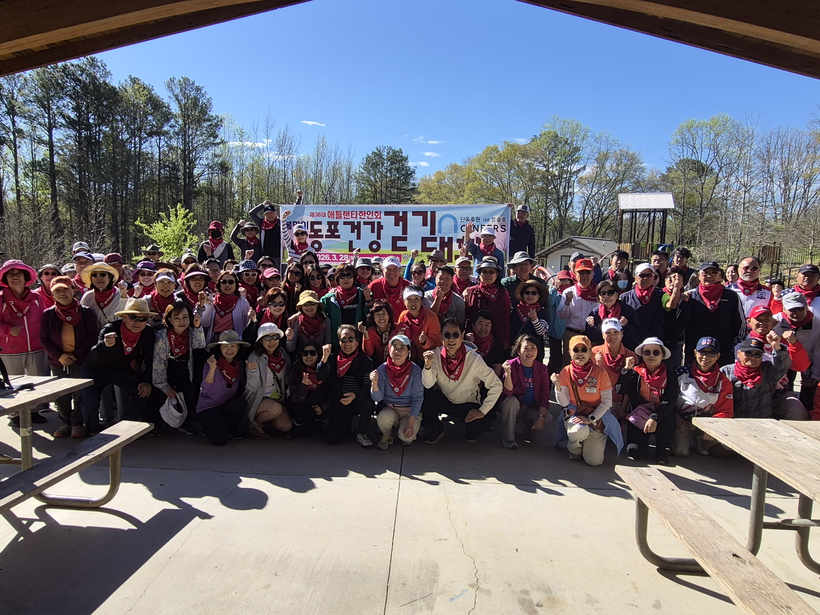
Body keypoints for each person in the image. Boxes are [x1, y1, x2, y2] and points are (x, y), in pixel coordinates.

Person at [81, 298, 156, 435]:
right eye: (133, 317)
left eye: (143, 319)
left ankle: (125, 427)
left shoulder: (148, 332)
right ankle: (92, 430)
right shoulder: (110, 329)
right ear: (124, 317)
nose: (138, 322)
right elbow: (92, 355)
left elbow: (150, 358)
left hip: (121, 370)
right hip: (95, 370)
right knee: (90, 400)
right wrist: (104, 346)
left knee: (144, 392)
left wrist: (147, 381)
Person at [421, 317, 503, 444]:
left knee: (476, 429)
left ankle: (468, 427)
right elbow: (428, 384)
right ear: (441, 337)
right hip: (445, 399)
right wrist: (427, 367)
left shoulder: (474, 358)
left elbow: (496, 385)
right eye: (447, 335)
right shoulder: (435, 355)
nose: (451, 339)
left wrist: (482, 411)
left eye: (455, 335)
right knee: (426, 396)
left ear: (462, 336)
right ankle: (437, 427)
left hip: (467, 403)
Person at [39, 276, 98, 438]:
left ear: (73, 290)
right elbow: (44, 338)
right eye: (57, 290)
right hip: (58, 361)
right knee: (61, 394)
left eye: (65, 289)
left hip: (80, 359)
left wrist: (76, 355)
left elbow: (92, 337)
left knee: (79, 393)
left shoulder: (86, 312)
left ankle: (77, 423)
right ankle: (65, 422)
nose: (62, 293)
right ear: (52, 294)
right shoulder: (48, 314)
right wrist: (60, 356)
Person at [552, 335, 620, 466]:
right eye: (575, 350)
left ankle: (590, 440)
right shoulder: (565, 371)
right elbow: (564, 403)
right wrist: (558, 387)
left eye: (584, 349)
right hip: (575, 415)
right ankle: (574, 449)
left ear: (590, 352)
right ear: (570, 352)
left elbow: (607, 401)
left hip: (596, 418)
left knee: (594, 461)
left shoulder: (600, 372)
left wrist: (591, 418)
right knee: (578, 431)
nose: (580, 353)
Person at [742, 305, 809, 420]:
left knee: (797, 411)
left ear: (773, 322)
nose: (763, 323)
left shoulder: (781, 342)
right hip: (749, 391)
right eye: (758, 319)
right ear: (749, 322)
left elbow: (801, 366)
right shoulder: (741, 342)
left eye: (767, 319)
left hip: (778, 391)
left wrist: (792, 344)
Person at [619, 337, 679, 464]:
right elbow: (620, 390)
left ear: (662, 355)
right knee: (633, 452)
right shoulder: (635, 372)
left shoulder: (670, 376)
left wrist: (654, 417)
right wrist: (626, 370)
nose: (651, 355)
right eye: (647, 352)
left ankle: (661, 449)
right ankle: (642, 442)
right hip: (640, 414)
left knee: (667, 419)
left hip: (661, 415)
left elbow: (670, 401)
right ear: (642, 355)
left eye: (656, 352)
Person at [672, 337, 734, 458]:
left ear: (718, 356)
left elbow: (726, 410)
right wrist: (674, 417)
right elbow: (669, 398)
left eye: (711, 353)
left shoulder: (723, 381)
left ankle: (701, 438)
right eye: (702, 352)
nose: (705, 357)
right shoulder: (680, 373)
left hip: (707, 421)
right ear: (695, 353)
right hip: (683, 419)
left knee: (724, 450)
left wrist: (713, 426)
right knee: (680, 451)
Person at [151, 301, 206, 434]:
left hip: (184, 369)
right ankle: (158, 422)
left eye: (185, 317)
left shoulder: (190, 332)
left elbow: (200, 345)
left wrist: (198, 327)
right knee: (162, 394)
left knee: (190, 391)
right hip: (166, 370)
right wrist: (164, 386)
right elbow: (158, 363)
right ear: (170, 320)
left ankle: (186, 421)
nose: (181, 322)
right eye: (176, 318)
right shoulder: (162, 337)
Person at [0, 260, 49, 398]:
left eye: (19, 274)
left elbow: (45, 321)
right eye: (11, 274)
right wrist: (8, 330)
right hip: (10, 351)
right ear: (5, 278)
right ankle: (17, 411)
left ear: (25, 277)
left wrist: (47, 343)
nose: (15, 277)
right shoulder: (1, 299)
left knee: (39, 385)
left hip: (37, 349)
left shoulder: (36, 297)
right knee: (13, 387)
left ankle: (38, 409)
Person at [684, 261, 746, 367]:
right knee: (693, 377)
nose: (709, 276)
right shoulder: (690, 296)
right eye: (705, 273)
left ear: (720, 276)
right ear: (698, 275)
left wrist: (730, 344)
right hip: (695, 352)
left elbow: (739, 324)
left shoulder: (731, 296)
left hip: (723, 351)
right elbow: (681, 323)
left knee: (722, 377)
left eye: (713, 273)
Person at [324, 324, 374, 445]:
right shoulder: (332, 358)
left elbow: (368, 387)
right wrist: (323, 360)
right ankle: (346, 426)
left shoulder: (365, 361)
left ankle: (362, 433)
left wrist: (354, 396)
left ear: (357, 342)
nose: (347, 343)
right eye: (343, 340)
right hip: (339, 401)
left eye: (351, 339)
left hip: (357, 400)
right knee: (332, 439)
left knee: (368, 403)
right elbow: (321, 377)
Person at [371, 334, 424, 449]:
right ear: (389, 349)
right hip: (391, 408)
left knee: (406, 438)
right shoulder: (382, 369)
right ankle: (387, 435)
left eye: (402, 347)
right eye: (395, 347)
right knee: (383, 417)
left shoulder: (415, 371)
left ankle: (409, 427)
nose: (397, 351)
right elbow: (377, 398)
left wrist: (410, 423)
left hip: (409, 411)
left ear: (408, 351)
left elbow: (418, 398)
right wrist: (374, 384)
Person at [722, 335, 793, 419]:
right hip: (734, 421)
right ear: (738, 354)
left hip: (762, 421)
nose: (752, 357)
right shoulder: (725, 372)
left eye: (757, 354)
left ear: (762, 357)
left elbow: (783, 364)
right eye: (748, 353)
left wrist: (776, 346)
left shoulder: (769, 370)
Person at [197, 331, 249, 445]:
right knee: (220, 440)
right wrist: (212, 369)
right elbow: (206, 388)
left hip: (226, 404)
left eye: (233, 346)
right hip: (209, 406)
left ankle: (231, 427)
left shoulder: (239, 364)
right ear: (220, 348)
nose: (229, 349)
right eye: (225, 346)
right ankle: (206, 427)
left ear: (238, 347)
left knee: (239, 404)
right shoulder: (211, 364)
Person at [244, 323, 294, 440]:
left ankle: (265, 423)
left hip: (277, 397)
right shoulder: (254, 357)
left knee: (286, 426)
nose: (272, 341)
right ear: (261, 341)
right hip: (258, 397)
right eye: (267, 338)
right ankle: (254, 424)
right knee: (275, 409)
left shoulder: (283, 354)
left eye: (275, 337)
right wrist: (253, 372)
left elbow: (288, 378)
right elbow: (253, 387)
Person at [500, 334, 550, 449]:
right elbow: (508, 392)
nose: (529, 352)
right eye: (526, 348)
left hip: (530, 407)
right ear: (518, 351)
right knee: (511, 401)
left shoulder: (542, 368)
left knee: (547, 418)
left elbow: (545, 394)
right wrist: (508, 374)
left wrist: (541, 417)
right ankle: (509, 438)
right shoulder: (511, 365)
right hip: (515, 406)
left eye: (533, 348)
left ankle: (527, 432)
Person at [773, 293, 820, 414]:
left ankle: (809, 416)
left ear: (806, 307)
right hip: (784, 360)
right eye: (792, 309)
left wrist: (816, 375)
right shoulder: (775, 321)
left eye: (800, 308)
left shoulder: (817, 325)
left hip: (808, 360)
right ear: (784, 309)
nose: (797, 313)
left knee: (810, 391)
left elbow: (819, 353)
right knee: (785, 390)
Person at [591, 318, 637, 419]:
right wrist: (597, 366)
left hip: (619, 403)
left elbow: (631, 387)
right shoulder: (594, 352)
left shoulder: (631, 356)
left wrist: (623, 408)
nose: (612, 336)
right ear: (603, 335)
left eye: (616, 332)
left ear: (622, 333)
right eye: (608, 332)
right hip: (597, 403)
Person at [464, 256, 511, 350]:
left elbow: (507, 317)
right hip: (473, 340)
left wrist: (506, 340)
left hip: (497, 340)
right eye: (484, 272)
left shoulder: (503, 292)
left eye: (491, 272)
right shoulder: (470, 291)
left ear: (497, 274)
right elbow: (465, 316)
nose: (488, 275)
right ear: (479, 274)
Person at [557, 258, 598, 363]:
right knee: (569, 366)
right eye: (581, 273)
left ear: (593, 273)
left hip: (592, 335)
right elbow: (561, 316)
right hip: (572, 334)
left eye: (587, 272)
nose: (584, 276)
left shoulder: (599, 292)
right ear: (575, 274)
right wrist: (567, 303)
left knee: (592, 365)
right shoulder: (568, 292)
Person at [583, 279, 642, 350]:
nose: (606, 296)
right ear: (598, 296)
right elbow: (592, 338)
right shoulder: (595, 313)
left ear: (617, 295)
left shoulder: (627, 311)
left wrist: (627, 326)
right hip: (602, 351)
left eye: (610, 293)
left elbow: (637, 335)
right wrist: (592, 327)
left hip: (625, 350)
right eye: (603, 293)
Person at [288, 342, 332, 434]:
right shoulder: (296, 370)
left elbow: (331, 394)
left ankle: (317, 425)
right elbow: (295, 399)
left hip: (320, 403)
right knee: (306, 413)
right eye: (305, 353)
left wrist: (322, 407)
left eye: (312, 353)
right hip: (301, 405)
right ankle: (297, 426)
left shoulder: (326, 369)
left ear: (318, 355)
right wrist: (303, 386)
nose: (308, 356)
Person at [321, 263, 367, 349]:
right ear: (337, 279)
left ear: (354, 278)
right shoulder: (329, 299)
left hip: (358, 343)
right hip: (337, 343)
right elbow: (314, 310)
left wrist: (368, 300)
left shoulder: (363, 294)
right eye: (342, 276)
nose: (346, 279)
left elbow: (369, 314)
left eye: (349, 275)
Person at [396, 286, 441, 364]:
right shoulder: (403, 316)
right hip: (407, 356)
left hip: (427, 358)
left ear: (421, 300)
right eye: (409, 299)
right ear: (404, 301)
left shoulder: (431, 317)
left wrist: (425, 341)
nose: (413, 303)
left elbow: (436, 344)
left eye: (416, 299)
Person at [620, 263, 663, 341]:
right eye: (642, 275)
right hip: (631, 342)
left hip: (654, 342)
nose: (645, 278)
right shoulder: (624, 298)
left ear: (654, 277)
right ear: (635, 278)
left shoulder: (662, 296)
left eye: (649, 275)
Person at [659, 266, 691, 369]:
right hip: (659, 338)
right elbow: (670, 306)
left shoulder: (687, 299)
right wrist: (676, 289)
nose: (673, 282)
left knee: (672, 370)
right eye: (670, 279)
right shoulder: (659, 295)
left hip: (676, 341)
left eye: (678, 280)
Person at [80, 261, 128, 327]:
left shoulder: (121, 295)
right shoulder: (87, 297)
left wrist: (124, 296)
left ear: (110, 277)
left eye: (103, 274)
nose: (99, 278)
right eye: (94, 275)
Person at [286, 290, 331, 356]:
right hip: (302, 358)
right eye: (305, 304)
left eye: (312, 303)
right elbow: (290, 349)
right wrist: (290, 339)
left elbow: (328, 344)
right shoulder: (297, 322)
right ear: (301, 307)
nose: (309, 307)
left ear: (317, 305)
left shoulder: (325, 320)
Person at [546, 270, 572, 375]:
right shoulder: (554, 294)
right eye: (562, 280)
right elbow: (549, 304)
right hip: (554, 331)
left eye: (567, 280)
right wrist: (554, 289)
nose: (565, 282)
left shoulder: (573, 294)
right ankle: (548, 377)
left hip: (568, 331)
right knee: (554, 357)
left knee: (567, 357)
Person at [510, 279, 549, 350]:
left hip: (535, 350)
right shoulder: (516, 310)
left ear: (539, 296)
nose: (530, 295)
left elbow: (541, 332)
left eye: (534, 293)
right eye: (527, 293)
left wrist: (535, 319)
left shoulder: (542, 312)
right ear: (523, 295)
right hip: (518, 348)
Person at [369, 256, 410, 321]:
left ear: (400, 270)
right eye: (388, 269)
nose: (392, 272)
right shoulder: (374, 285)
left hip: (403, 325)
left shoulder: (408, 286)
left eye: (395, 269)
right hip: (381, 325)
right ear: (383, 270)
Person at [360, 301, 397, 366]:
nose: (381, 317)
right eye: (377, 314)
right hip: (380, 365)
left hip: (397, 363)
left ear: (389, 315)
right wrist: (366, 336)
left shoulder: (398, 328)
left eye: (383, 313)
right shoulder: (371, 331)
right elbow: (368, 353)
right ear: (373, 317)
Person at [248, 201, 281, 268]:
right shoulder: (262, 223)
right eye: (267, 213)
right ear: (264, 215)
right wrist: (262, 205)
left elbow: (293, 215)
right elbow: (251, 213)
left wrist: (299, 199)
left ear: (276, 213)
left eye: (272, 212)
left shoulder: (281, 222)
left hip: (280, 257)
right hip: (266, 257)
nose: (270, 215)